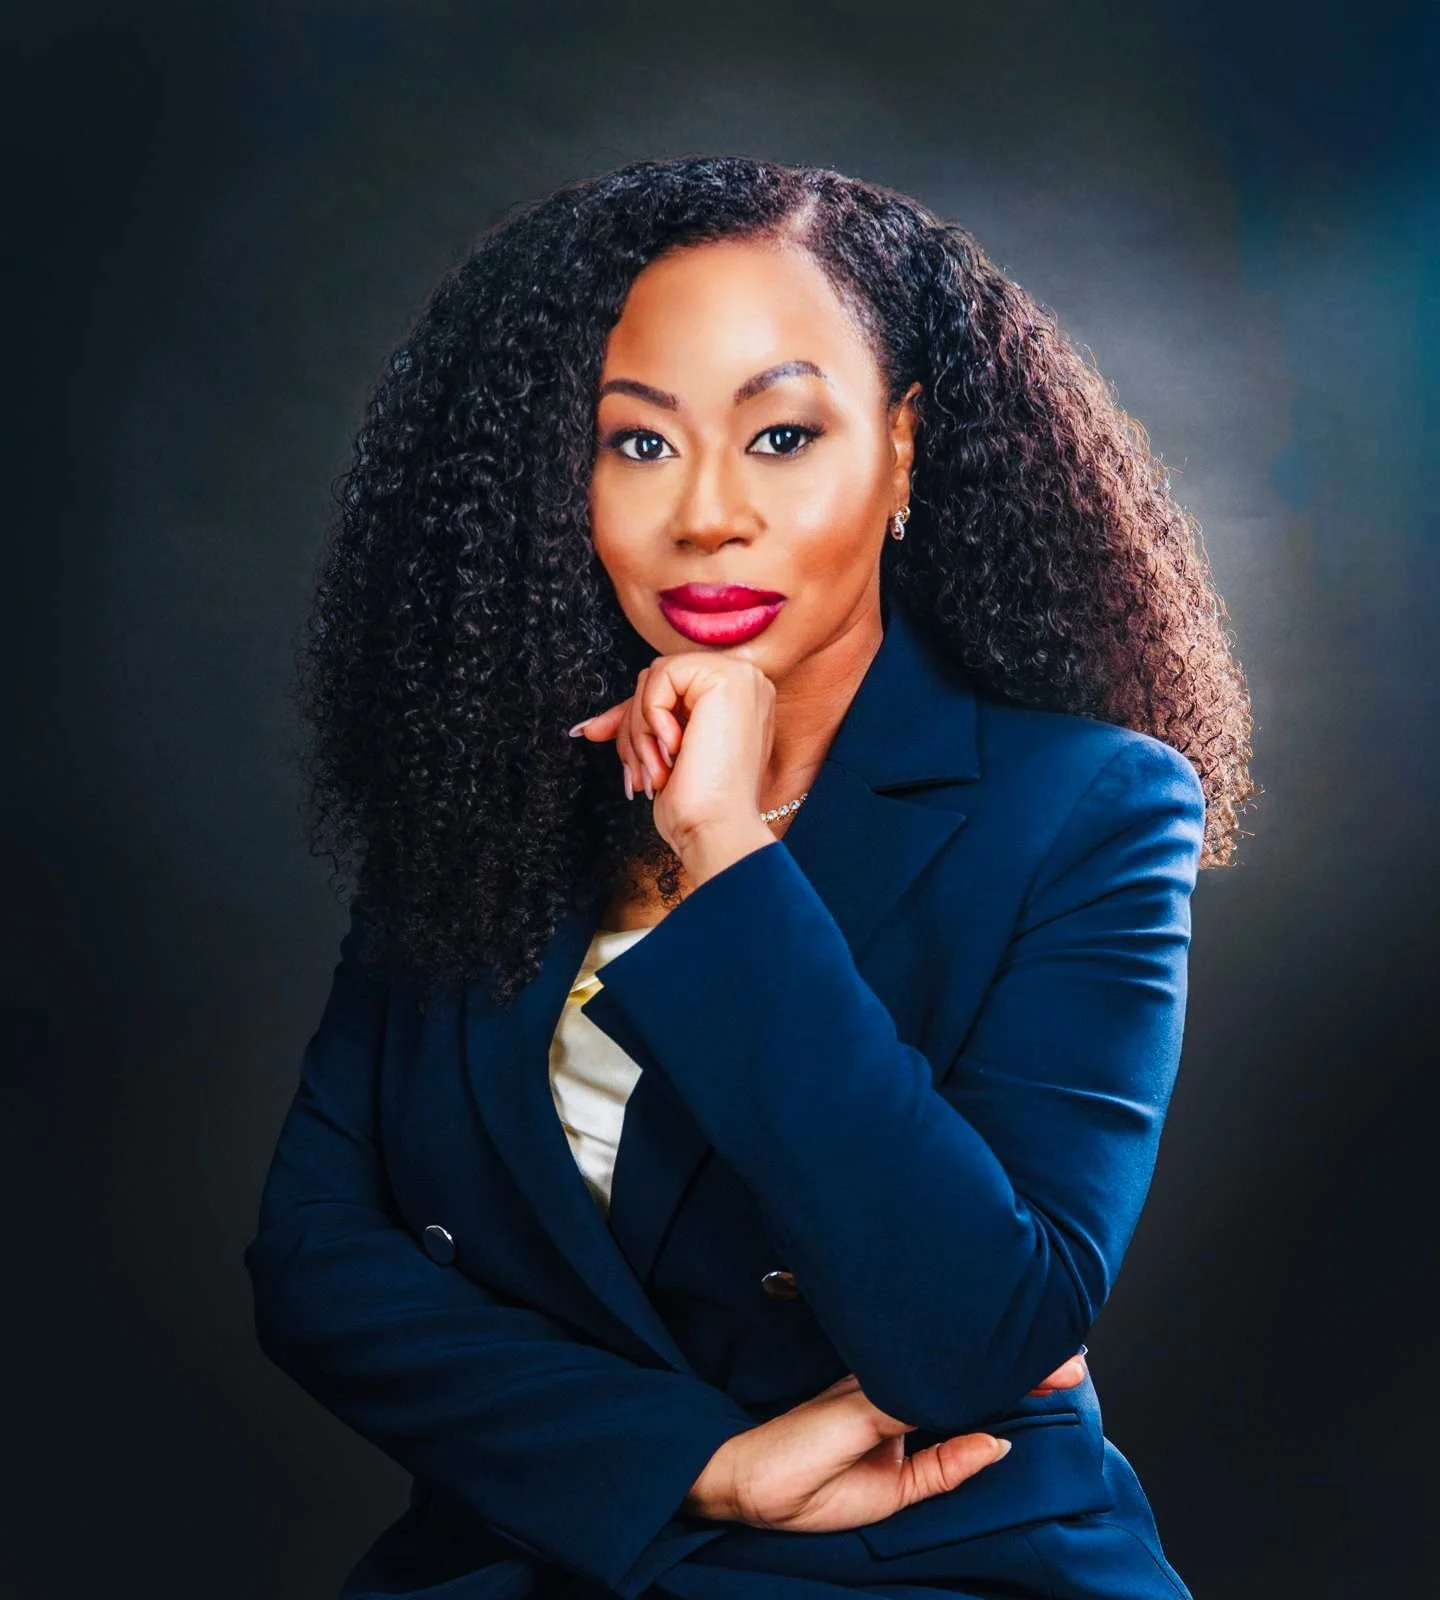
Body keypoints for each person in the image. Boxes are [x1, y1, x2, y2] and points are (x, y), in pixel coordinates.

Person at [245, 155, 1255, 1600]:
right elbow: (319, 1263)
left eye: (781, 437)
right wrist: (697, 1468)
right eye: (640, 446)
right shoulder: (484, 798)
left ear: (902, 451)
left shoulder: (1087, 806)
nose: (707, 515)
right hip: (564, 1546)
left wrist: (723, 852)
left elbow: (975, 1331)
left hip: (935, 1562)